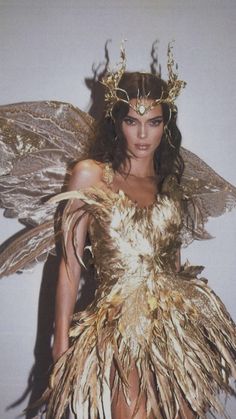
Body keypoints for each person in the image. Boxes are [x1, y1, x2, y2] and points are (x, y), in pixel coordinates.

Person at [44, 48, 236, 419]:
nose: (143, 134)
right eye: (133, 121)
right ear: (117, 122)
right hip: (120, 330)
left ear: (167, 125)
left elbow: (175, 265)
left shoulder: (170, 185)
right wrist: (61, 342)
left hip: (176, 331)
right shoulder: (91, 175)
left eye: (154, 122)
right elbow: (69, 267)